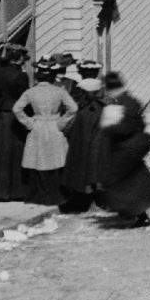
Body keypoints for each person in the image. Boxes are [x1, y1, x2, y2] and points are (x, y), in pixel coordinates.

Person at [12, 59, 78, 207]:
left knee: (39, 160)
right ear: (52, 76)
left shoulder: (30, 92)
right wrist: (61, 122)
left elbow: (16, 109)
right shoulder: (60, 91)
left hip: (37, 127)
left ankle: (38, 195)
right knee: (55, 160)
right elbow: (73, 108)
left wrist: (29, 123)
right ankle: (56, 194)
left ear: (37, 76)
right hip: (55, 126)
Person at [98, 72, 150, 228]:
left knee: (121, 182)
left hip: (125, 149)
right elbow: (140, 124)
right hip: (134, 148)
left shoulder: (118, 105)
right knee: (132, 181)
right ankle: (134, 212)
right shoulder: (131, 101)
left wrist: (109, 128)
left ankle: (136, 214)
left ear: (110, 88)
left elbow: (124, 128)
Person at [0, 46, 32, 202]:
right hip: (14, 116)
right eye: (23, 60)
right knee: (16, 152)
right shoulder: (20, 76)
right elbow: (24, 100)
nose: (24, 63)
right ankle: (15, 191)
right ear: (18, 59)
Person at [61, 59, 108, 213]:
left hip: (79, 129)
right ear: (96, 73)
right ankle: (100, 195)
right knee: (99, 157)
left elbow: (69, 112)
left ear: (81, 73)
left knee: (80, 158)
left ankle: (81, 196)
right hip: (100, 128)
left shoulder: (75, 91)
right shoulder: (104, 91)